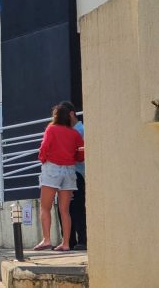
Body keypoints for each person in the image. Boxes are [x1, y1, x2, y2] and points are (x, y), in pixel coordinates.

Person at [34, 103, 85, 252]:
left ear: (56, 116)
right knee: (65, 210)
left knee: (45, 207)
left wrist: (43, 159)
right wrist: (73, 158)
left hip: (52, 168)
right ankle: (66, 243)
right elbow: (81, 153)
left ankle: (47, 240)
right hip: (69, 171)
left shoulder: (51, 128)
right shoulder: (74, 133)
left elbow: (44, 147)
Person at [60, 101, 87, 251]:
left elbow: (80, 154)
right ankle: (68, 242)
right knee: (64, 208)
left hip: (76, 174)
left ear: (71, 114)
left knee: (76, 207)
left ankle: (83, 240)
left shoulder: (82, 130)